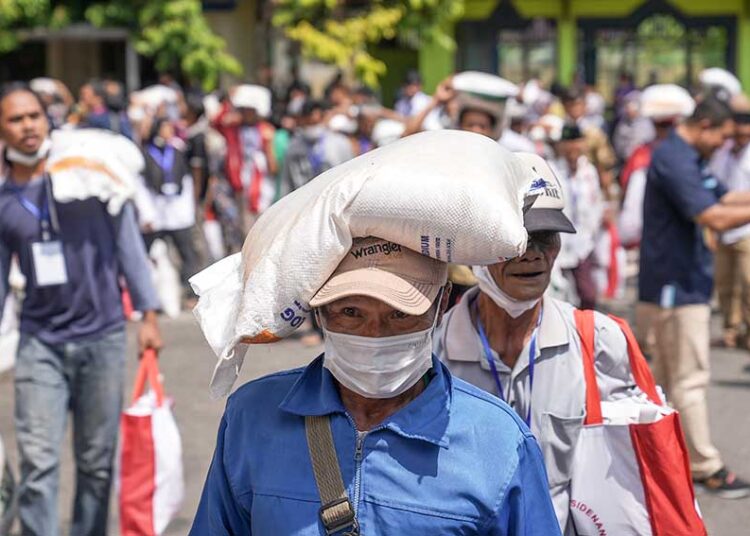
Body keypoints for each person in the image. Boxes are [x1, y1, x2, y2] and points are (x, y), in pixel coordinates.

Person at [190, 236, 560, 535]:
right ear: (319, 311)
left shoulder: (498, 441)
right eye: (351, 313)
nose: (375, 336)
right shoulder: (253, 418)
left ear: (441, 303)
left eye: (400, 314)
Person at [434, 173, 643, 534]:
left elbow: (632, 461)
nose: (533, 254)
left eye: (545, 238)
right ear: (476, 251)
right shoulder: (432, 351)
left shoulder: (597, 341)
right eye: (516, 240)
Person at [0, 83, 162, 535]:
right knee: (38, 462)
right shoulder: (3, 201)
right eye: (15, 119)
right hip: (40, 343)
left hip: (103, 336)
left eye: (33, 115)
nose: (28, 125)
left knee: (95, 463)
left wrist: (147, 314)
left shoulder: (87, 171)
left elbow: (128, 243)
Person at [639, 95, 750, 497]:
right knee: (687, 381)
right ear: (704, 126)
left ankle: (670, 463)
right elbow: (715, 217)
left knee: (673, 382)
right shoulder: (675, 158)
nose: (724, 144)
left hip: (680, 284)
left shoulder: (687, 156)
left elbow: (723, 198)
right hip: (674, 288)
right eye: (721, 137)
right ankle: (705, 467)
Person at [136, 117, 201, 303]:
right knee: (147, 254)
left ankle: (189, 294)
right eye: (165, 127)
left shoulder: (178, 152)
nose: (169, 131)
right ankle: (148, 296)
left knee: (186, 252)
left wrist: (187, 211)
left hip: (177, 212)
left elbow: (186, 181)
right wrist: (147, 213)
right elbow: (141, 185)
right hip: (155, 212)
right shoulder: (146, 153)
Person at [710, 98, 750, 349]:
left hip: (746, 229)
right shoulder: (722, 153)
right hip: (723, 227)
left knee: (748, 284)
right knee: (725, 285)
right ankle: (730, 330)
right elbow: (714, 187)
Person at [555, 124, 604, 310]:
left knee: (588, 295)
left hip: (583, 242)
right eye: (569, 145)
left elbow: (595, 202)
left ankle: (585, 333)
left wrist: (592, 232)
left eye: (577, 144)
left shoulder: (589, 172)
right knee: (560, 295)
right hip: (559, 242)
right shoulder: (552, 170)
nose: (573, 150)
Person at [280, 100, 354, 194]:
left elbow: (350, 174)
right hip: (303, 201)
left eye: (316, 122)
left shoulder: (340, 143)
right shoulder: (293, 147)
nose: (312, 127)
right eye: (309, 123)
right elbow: (286, 181)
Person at [561, 87, 616, 198]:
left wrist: (608, 194)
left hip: (588, 182)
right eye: (569, 105)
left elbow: (604, 163)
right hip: (562, 180)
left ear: (584, 106)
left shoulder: (593, 132)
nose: (573, 109)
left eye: (577, 104)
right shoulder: (557, 128)